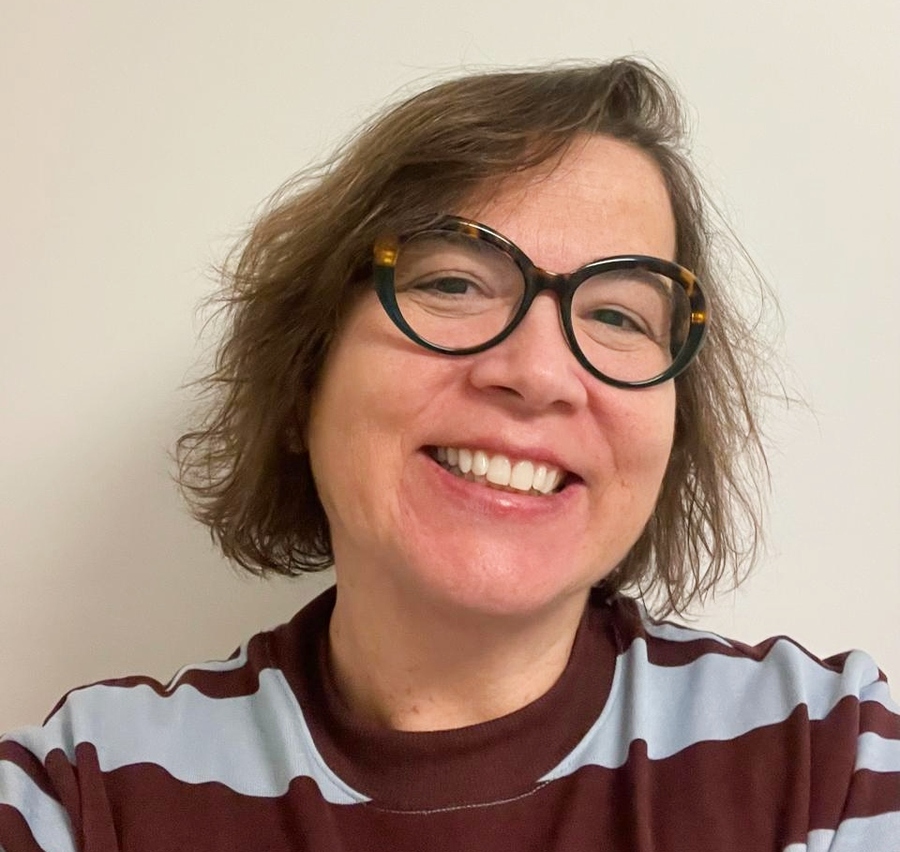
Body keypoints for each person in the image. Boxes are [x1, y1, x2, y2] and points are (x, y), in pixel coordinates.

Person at [1, 58, 897, 851]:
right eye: (454, 283)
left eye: (618, 316)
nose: (538, 373)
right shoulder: (84, 798)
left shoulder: (830, 759)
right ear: (305, 374)